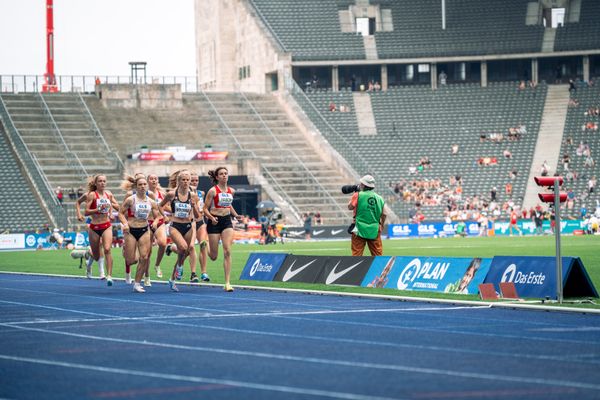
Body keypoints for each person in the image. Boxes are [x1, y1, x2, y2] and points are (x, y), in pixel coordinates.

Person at [159, 169, 201, 292]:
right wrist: (165, 216)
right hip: (175, 225)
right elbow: (160, 206)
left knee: (186, 252)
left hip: (188, 226)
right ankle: (180, 266)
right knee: (182, 248)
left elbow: (198, 215)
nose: (186, 182)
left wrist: (193, 206)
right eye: (183, 179)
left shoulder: (193, 196)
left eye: (187, 180)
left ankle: (172, 279)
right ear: (178, 181)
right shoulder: (172, 194)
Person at [118, 175, 160, 293]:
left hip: (144, 230)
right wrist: (125, 224)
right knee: (132, 260)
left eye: (144, 184)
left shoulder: (151, 201)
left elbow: (158, 215)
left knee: (145, 257)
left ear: (147, 186)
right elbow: (121, 213)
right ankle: (126, 250)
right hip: (131, 230)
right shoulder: (131, 199)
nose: (142, 187)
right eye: (140, 185)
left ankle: (137, 283)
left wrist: (156, 222)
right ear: (136, 187)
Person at [203, 167, 242, 292]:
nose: (224, 176)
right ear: (217, 177)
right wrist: (211, 218)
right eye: (221, 174)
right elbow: (204, 209)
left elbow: (228, 205)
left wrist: (235, 215)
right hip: (214, 221)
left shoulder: (232, 191)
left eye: (226, 173)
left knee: (227, 251)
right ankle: (206, 245)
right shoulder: (212, 191)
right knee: (213, 256)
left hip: (226, 221)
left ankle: (227, 282)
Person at [84, 175, 119, 286]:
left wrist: (110, 209)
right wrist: (97, 209)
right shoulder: (92, 195)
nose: (102, 183)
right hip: (94, 227)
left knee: (107, 249)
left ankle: (109, 276)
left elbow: (117, 206)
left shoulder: (109, 194)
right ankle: (89, 263)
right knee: (97, 255)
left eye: (104, 181)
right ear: (96, 183)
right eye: (100, 181)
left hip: (106, 225)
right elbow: (86, 212)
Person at [348, 175, 386, 256]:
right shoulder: (379, 198)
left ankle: (357, 269)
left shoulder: (358, 195)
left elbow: (350, 207)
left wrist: (354, 195)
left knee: (356, 255)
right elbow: (384, 214)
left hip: (358, 228)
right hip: (374, 229)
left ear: (364, 185)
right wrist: (382, 224)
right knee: (378, 256)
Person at [189, 171, 211, 282]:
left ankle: (204, 273)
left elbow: (204, 207)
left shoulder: (201, 193)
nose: (194, 182)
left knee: (203, 244)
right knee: (190, 247)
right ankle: (193, 273)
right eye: (192, 180)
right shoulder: (185, 193)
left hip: (201, 221)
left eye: (196, 180)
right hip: (190, 223)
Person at [147, 174, 167, 282]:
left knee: (163, 243)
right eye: (151, 179)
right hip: (147, 222)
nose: (154, 180)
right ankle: (146, 276)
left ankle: (157, 265)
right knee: (147, 251)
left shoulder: (162, 194)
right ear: (148, 181)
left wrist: (166, 215)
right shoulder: (144, 194)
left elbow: (164, 207)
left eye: (155, 179)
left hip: (159, 221)